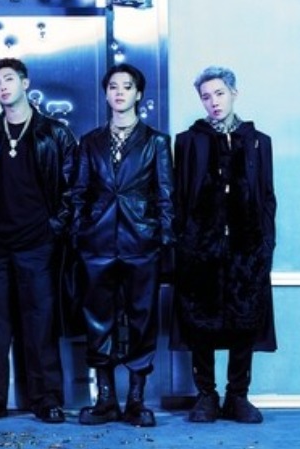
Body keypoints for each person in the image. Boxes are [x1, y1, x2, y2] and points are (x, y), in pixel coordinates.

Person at [0, 58, 75, 424]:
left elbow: (72, 189)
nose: (2, 86)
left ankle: (46, 400)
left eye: (9, 79)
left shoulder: (55, 134)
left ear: (25, 83)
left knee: (40, 323)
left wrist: (53, 228)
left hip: (37, 243)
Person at [171, 66, 277, 424]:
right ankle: (206, 395)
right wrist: (185, 241)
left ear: (234, 93)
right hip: (200, 248)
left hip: (246, 248)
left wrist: (265, 244)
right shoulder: (188, 141)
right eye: (206, 96)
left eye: (219, 93)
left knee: (245, 320)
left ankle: (238, 396)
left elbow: (267, 196)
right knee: (200, 322)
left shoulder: (258, 141)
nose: (213, 102)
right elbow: (179, 197)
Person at [71, 63, 174, 428]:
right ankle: (105, 400)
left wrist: (163, 239)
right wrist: (80, 233)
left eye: (126, 87)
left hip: (141, 241)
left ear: (138, 94)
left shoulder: (156, 141)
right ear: (106, 94)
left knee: (142, 319)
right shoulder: (90, 141)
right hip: (97, 243)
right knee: (97, 319)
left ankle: (136, 401)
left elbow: (166, 194)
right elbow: (78, 192)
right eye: (113, 86)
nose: (119, 92)